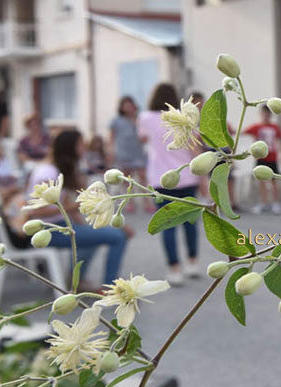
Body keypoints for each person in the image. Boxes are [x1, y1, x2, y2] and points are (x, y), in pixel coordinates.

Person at [26, 130, 130, 288]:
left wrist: (86, 224)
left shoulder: (59, 170)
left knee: (97, 235)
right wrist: (76, 206)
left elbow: (71, 207)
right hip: (49, 230)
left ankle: (76, 280)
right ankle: (110, 288)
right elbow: (35, 212)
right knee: (118, 237)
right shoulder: (47, 173)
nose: (84, 149)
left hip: (61, 226)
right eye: (81, 144)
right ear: (70, 148)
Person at [140, 83, 204, 285]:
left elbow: (142, 139)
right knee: (190, 222)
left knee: (167, 225)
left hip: (160, 178)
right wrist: (204, 179)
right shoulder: (185, 118)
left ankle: (174, 268)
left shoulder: (146, 118)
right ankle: (192, 262)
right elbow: (196, 151)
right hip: (187, 176)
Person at [109, 96, 154, 213]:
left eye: (130, 104)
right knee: (126, 180)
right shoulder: (116, 121)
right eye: (125, 105)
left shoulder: (139, 119)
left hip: (138, 154)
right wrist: (110, 152)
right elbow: (111, 138)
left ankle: (147, 202)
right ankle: (130, 202)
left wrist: (136, 122)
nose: (128, 107)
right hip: (123, 154)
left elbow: (144, 137)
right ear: (121, 107)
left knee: (143, 178)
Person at [244, 105, 281, 214]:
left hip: (272, 157)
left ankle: (275, 203)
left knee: (274, 181)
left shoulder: (275, 127)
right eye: (264, 113)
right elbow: (242, 132)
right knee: (261, 181)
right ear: (261, 114)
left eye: (268, 113)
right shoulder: (257, 127)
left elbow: (279, 141)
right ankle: (263, 203)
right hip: (261, 157)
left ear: (270, 114)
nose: (266, 115)